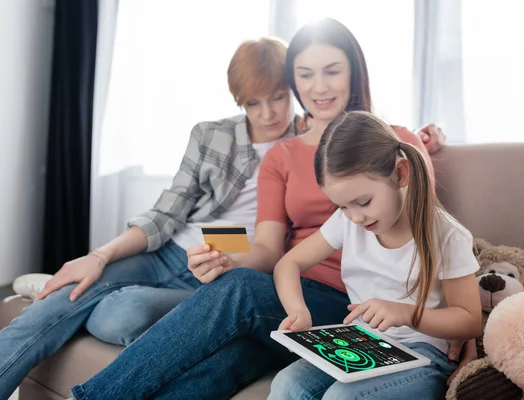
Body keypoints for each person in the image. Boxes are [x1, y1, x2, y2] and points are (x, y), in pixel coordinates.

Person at [66, 19, 452, 400]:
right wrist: (227, 263)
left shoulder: (397, 141)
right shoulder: (281, 155)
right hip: (289, 299)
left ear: (354, 71)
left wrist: (456, 326)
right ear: (293, 82)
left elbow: (426, 233)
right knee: (218, 366)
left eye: (332, 71)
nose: (319, 87)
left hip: (356, 305)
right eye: (305, 74)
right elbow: (268, 249)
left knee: (238, 291)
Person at [0, 37, 305, 400]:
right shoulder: (212, 134)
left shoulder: (307, 143)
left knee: (119, 316)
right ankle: (76, 290)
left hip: (219, 274)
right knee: (56, 304)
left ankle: (100, 296)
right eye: (254, 103)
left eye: (278, 97)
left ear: (293, 91)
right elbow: (166, 211)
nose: (268, 114)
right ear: (239, 101)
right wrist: (99, 256)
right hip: (170, 251)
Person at [269, 110, 482, 400]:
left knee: (342, 398)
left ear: (401, 173)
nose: (355, 217)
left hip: (424, 352)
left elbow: (469, 320)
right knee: (287, 384)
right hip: (362, 343)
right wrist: (298, 311)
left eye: (363, 202)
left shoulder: (446, 235)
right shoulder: (348, 222)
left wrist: (405, 314)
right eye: (342, 206)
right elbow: (288, 264)